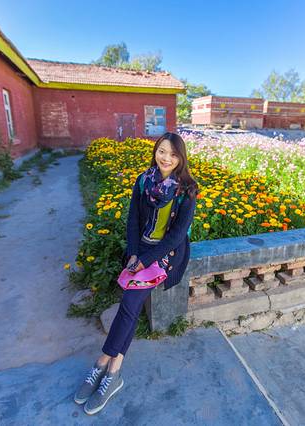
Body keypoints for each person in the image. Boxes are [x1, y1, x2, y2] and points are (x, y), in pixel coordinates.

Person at [75, 132, 199, 415]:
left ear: (181, 158)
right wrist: (133, 253)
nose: (166, 158)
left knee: (129, 305)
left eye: (173, 154)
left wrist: (144, 261)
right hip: (139, 251)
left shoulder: (188, 190)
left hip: (164, 255)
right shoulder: (143, 181)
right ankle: (113, 372)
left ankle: (103, 363)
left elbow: (177, 236)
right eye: (162, 151)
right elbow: (133, 220)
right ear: (155, 151)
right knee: (130, 309)